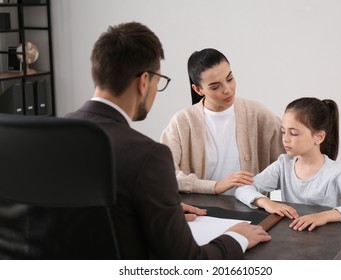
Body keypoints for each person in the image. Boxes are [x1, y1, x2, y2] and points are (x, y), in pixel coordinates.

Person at [65, 22, 271, 259]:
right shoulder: (148, 154)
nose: (226, 90)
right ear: (145, 81)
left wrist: (154, 210)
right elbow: (188, 262)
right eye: (158, 81)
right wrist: (237, 237)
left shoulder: (47, 137)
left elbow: (93, 213)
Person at [235, 97, 341, 231]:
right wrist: (266, 202)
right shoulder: (283, 165)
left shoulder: (336, 173)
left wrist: (323, 216)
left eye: (294, 133)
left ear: (319, 137)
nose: (285, 139)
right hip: (293, 235)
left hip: (326, 242)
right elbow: (243, 189)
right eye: (283, 132)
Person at [160, 48, 284, 195]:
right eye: (215, 87)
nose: (227, 90)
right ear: (198, 90)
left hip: (251, 210)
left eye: (230, 79)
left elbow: (290, 164)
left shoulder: (258, 114)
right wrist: (215, 186)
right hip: (200, 212)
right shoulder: (181, 123)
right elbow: (164, 174)